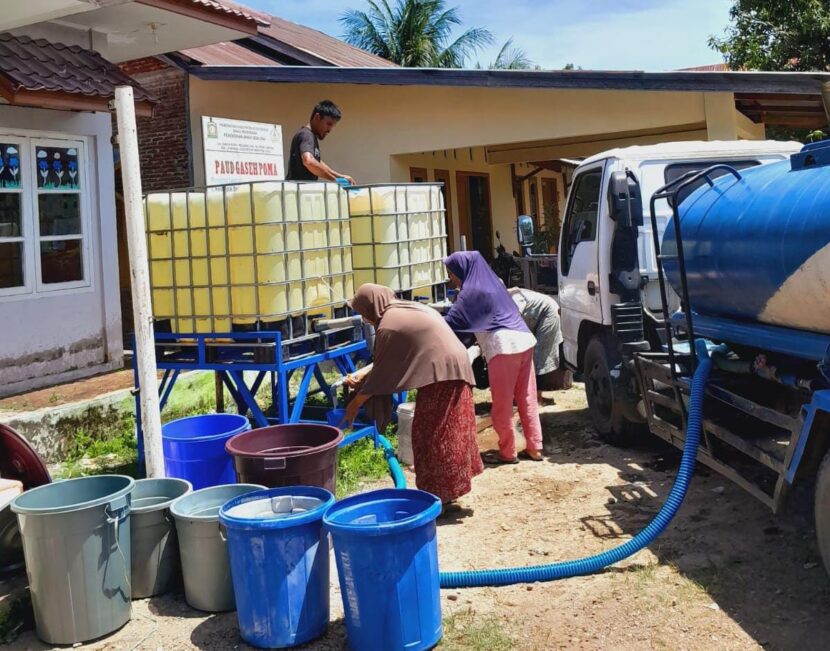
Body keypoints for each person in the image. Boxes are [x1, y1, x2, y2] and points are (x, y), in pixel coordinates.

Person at [343, 284, 483, 506]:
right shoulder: (404, 308)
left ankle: (438, 498)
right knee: (449, 432)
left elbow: (382, 373)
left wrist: (355, 404)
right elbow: (385, 361)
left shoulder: (388, 326)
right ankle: (447, 494)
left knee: (431, 436)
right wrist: (364, 376)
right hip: (452, 368)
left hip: (441, 376)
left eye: (363, 312)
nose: (364, 318)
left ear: (372, 305)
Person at [443, 251, 544, 464]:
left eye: (451, 273)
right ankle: (535, 447)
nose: (450, 279)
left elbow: (449, 325)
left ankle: (508, 453)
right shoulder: (494, 283)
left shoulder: (471, 291)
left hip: (503, 346)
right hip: (524, 339)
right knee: (527, 397)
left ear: (463, 270)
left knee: (502, 403)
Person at [508, 287, 566, 404]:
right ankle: (527, 395)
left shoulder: (513, 298)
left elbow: (513, 322)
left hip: (547, 313)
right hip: (534, 318)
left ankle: (535, 397)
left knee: (538, 356)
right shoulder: (505, 297)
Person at [286, 100, 355, 184]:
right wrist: (335, 180)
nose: (329, 130)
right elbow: (309, 161)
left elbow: (316, 162)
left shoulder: (309, 135)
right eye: (328, 124)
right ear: (317, 117)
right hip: (297, 192)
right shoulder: (306, 135)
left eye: (333, 126)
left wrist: (340, 176)